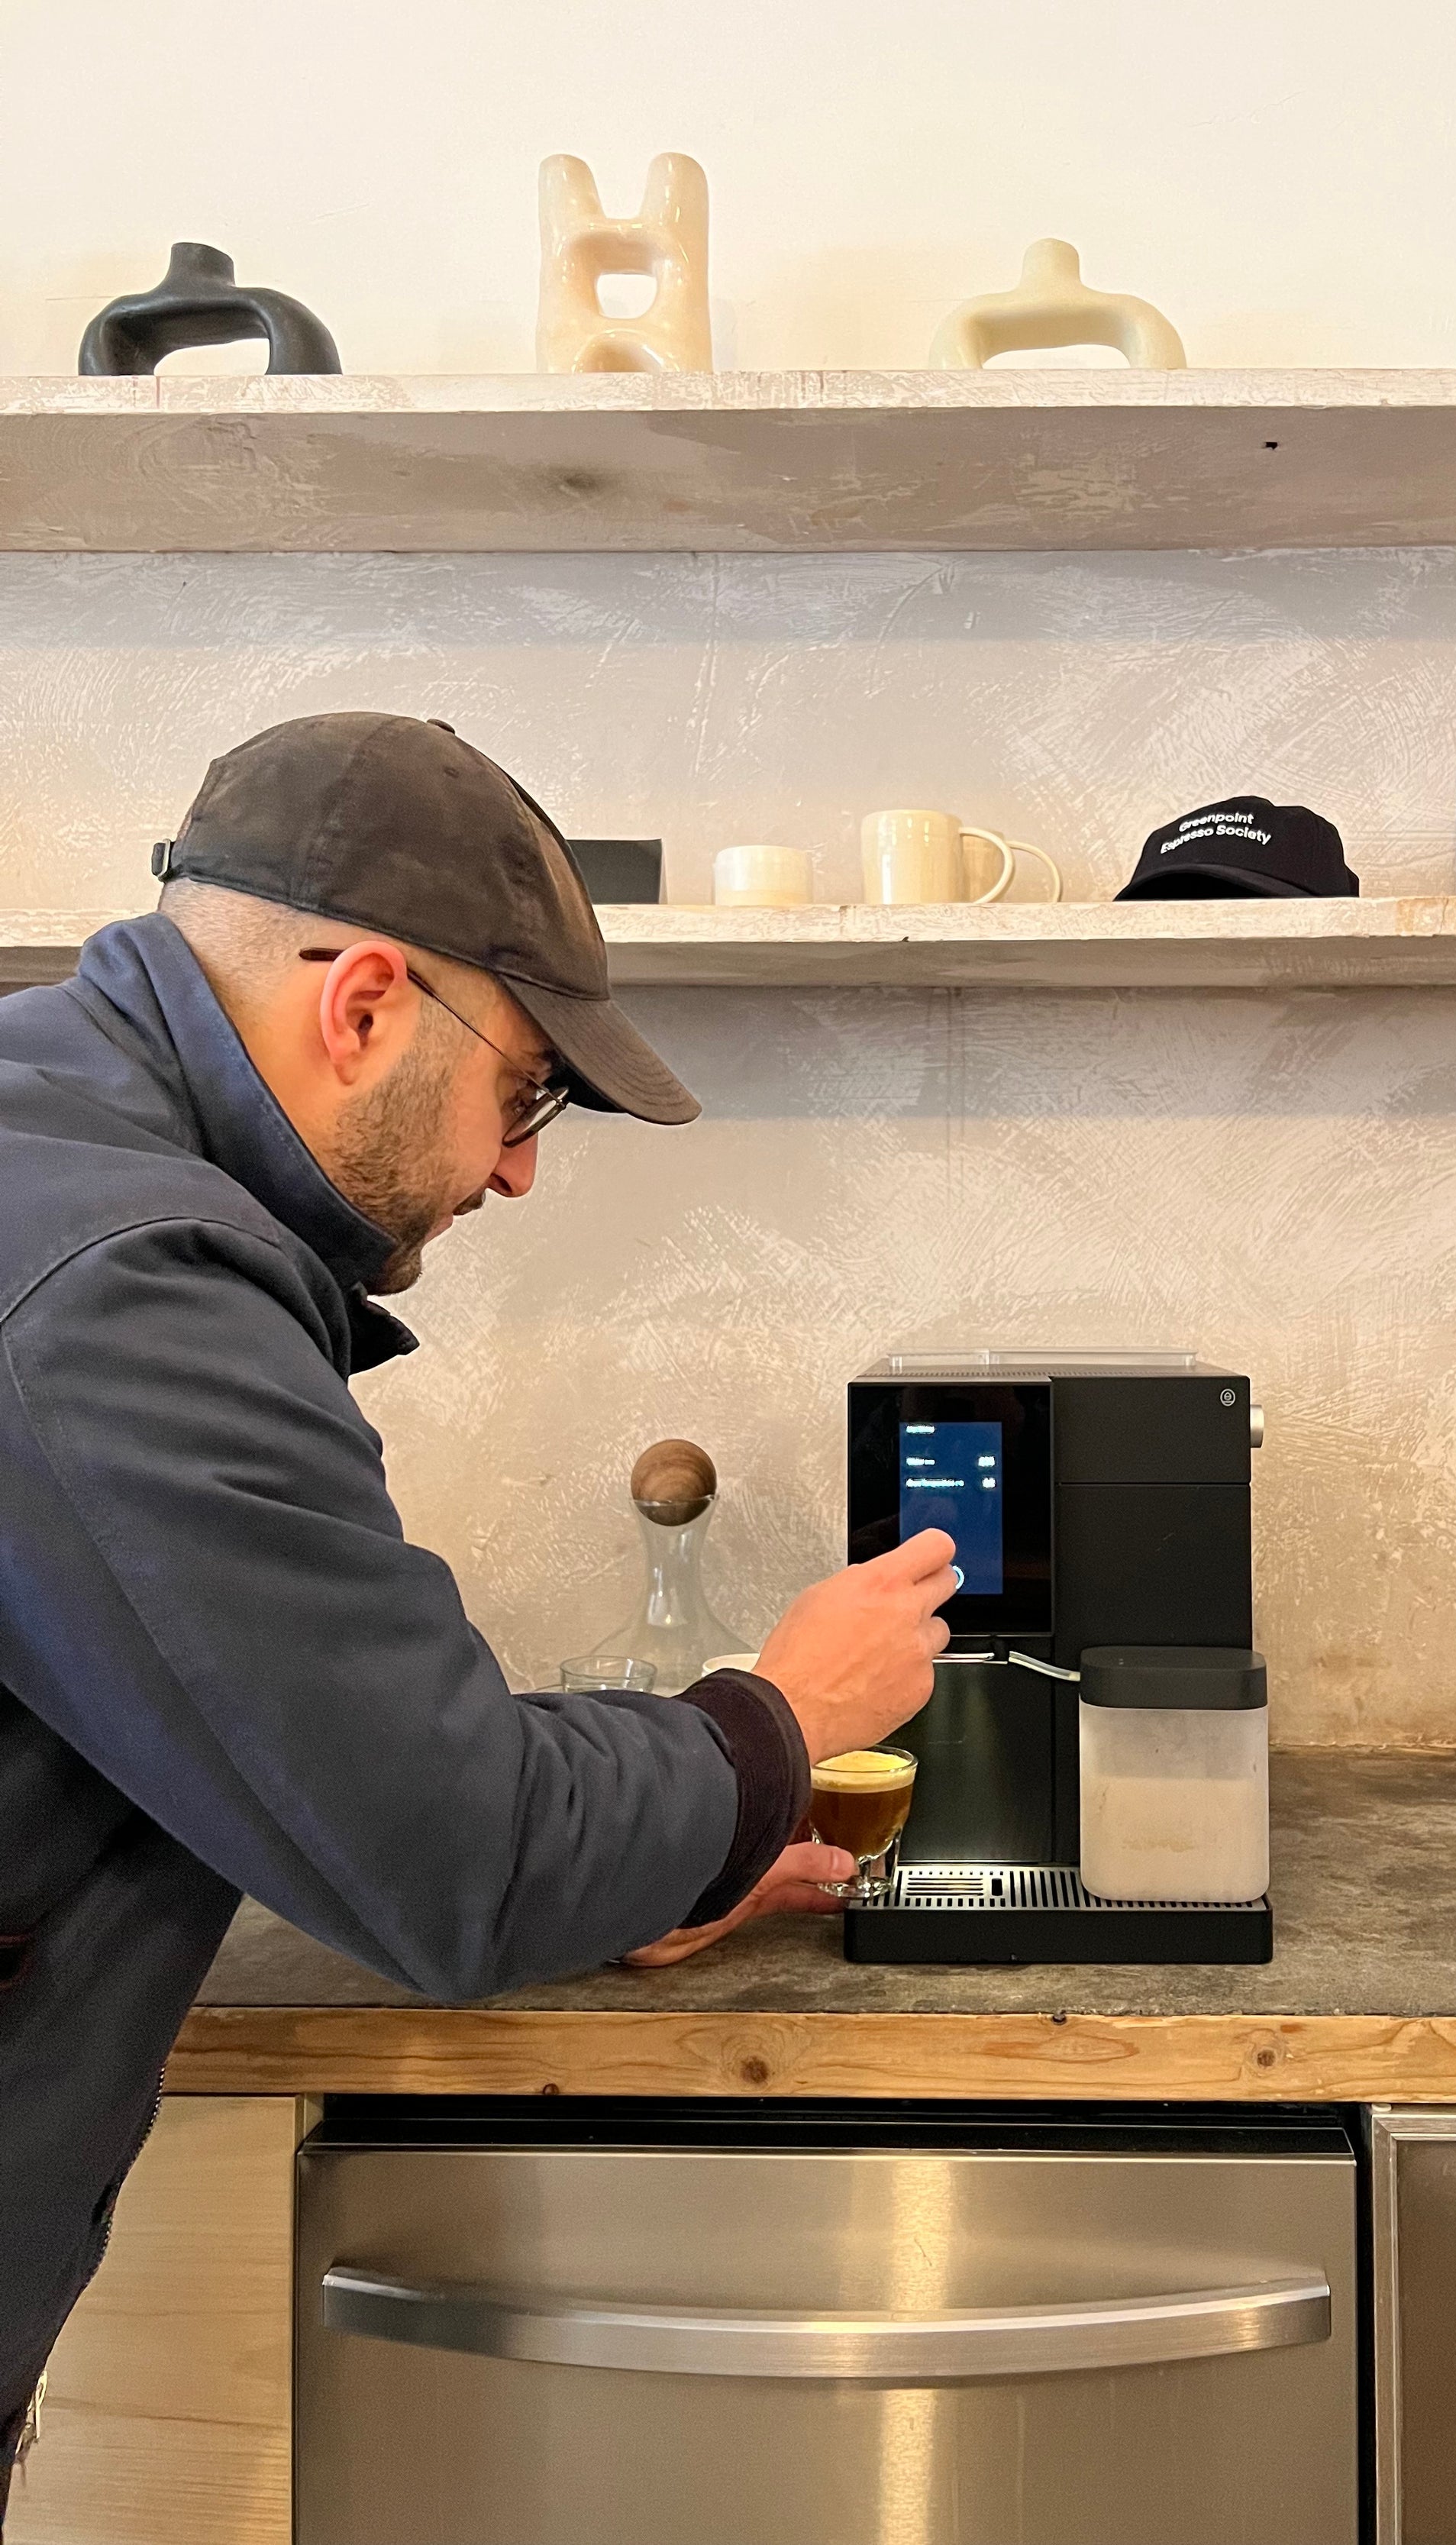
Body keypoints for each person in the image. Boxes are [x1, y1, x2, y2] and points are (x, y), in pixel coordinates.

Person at [0, 712, 954, 2517]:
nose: (518, 1167)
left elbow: (309, 1745)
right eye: (525, 1089)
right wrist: (777, 1712)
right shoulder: (121, 1280)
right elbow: (460, 1859)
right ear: (362, 1001)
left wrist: (665, 1832)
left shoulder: (45, 1151)